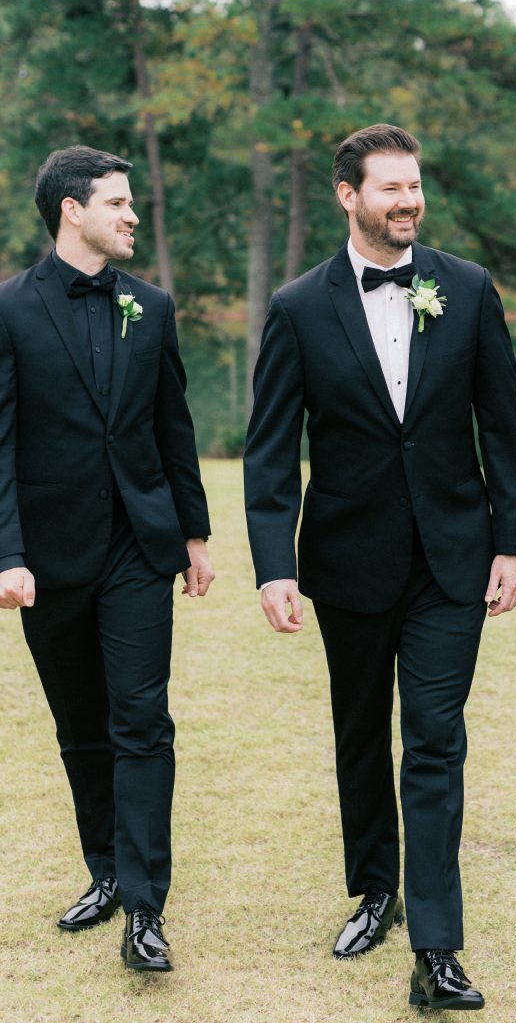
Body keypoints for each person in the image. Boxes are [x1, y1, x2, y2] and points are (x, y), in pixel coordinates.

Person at [244, 123, 516, 1011]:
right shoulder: (298, 306)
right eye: (391, 188)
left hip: (453, 558)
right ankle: (375, 890)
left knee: (436, 739)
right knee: (362, 731)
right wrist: (272, 565)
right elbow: (269, 452)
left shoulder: (469, 288)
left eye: (415, 187)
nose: (410, 202)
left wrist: (512, 541)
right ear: (349, 195)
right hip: (348, 559)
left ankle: (437, 950)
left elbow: (504, 426)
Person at [0, 145, 214, 972]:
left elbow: (173, 425)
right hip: (47, 559)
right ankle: (107, 872)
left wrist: (193, 535)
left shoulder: (150, 306)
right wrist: (8, 553)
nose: (132, 215)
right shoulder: (9, 307)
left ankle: (146, 909)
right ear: (72, 210)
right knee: (81, 726)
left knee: (142, 719)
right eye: (118, 203)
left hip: (138, 547)